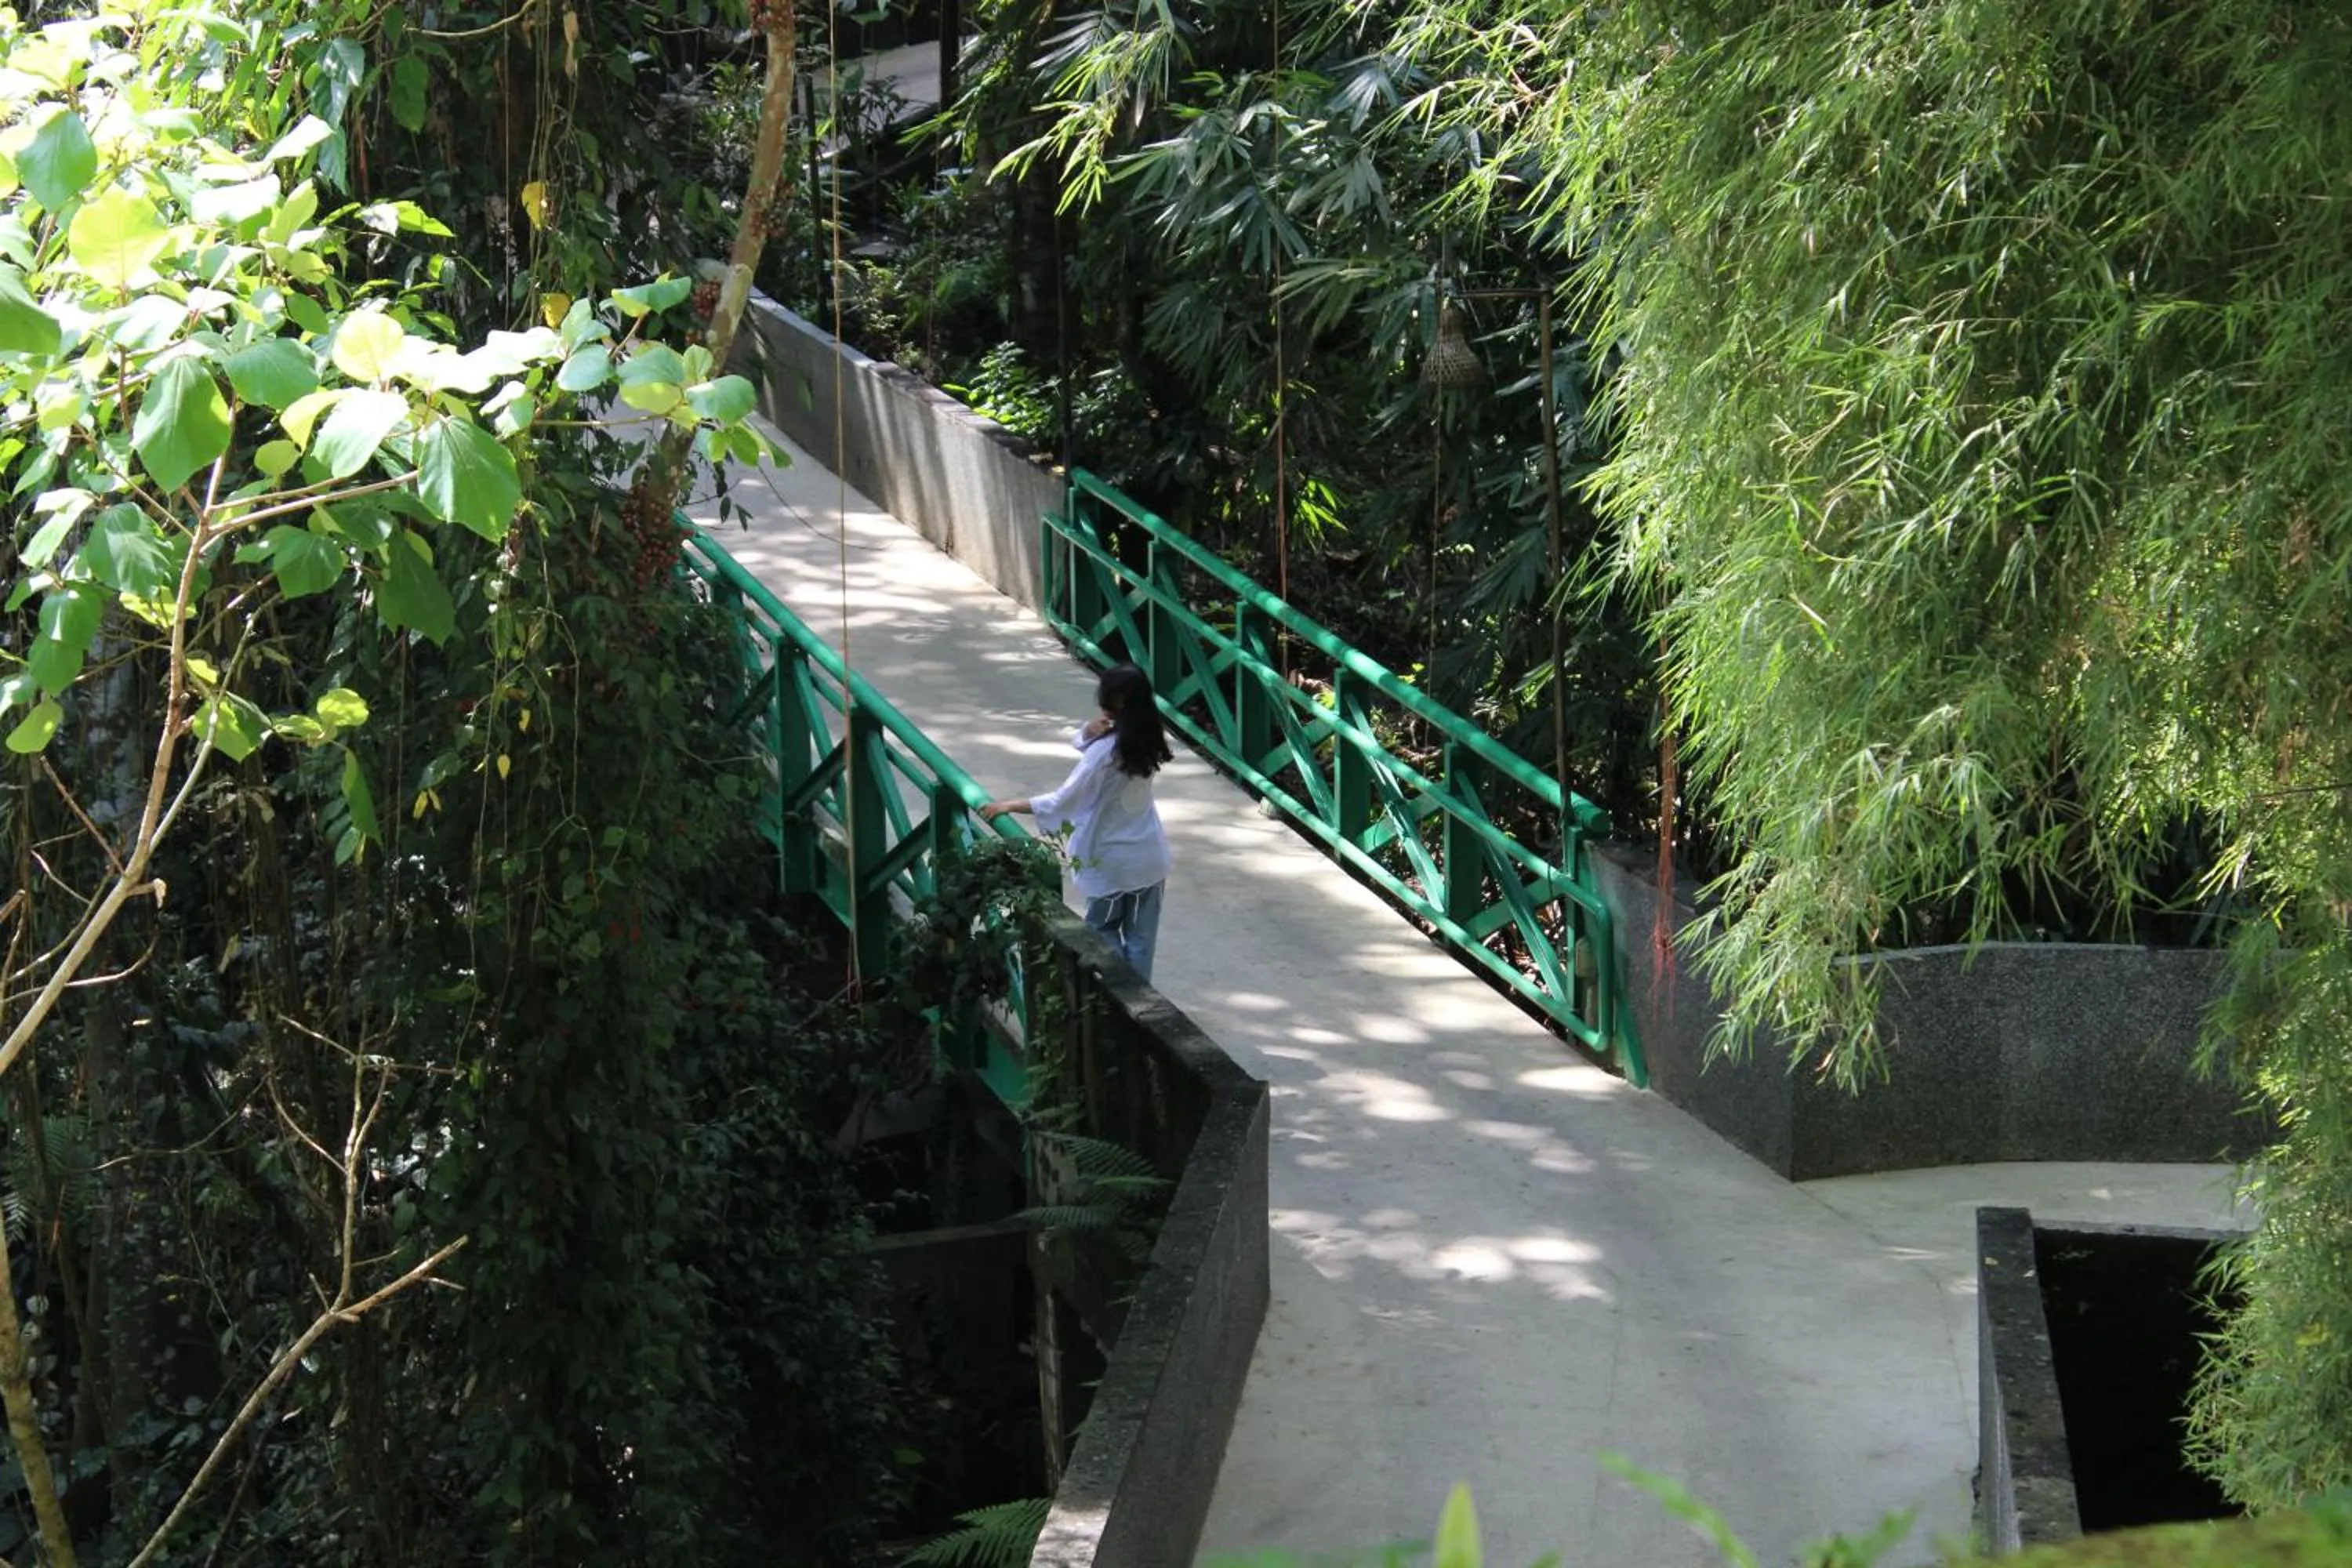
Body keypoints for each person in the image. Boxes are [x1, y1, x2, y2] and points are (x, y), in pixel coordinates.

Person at [979, 664, 1174, 981]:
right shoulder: (1150, 736)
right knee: (1141, 942)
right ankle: (1140, 1010)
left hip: (1109, 862)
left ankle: (1116, 1002)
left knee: (1102, 933)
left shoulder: (1105, 752)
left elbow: (1064, 801)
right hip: (1149, 860)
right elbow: (1092, 749)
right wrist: (1087, 731)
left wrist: (1011, 804)